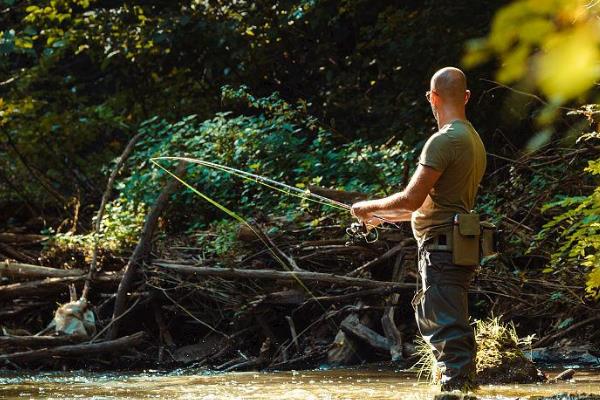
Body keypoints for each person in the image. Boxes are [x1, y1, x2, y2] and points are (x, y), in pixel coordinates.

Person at [351, 66, 486, 392]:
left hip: (440, 249)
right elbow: (432, 204)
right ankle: (460, 389)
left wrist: (365, 207)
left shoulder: (443, 141)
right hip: (456, 244)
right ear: (466, 96)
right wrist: (380, 218)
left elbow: (412, 199)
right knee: (450, 325)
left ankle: (457, 393)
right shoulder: (473, 139)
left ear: (432, 97)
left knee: (445, 329)